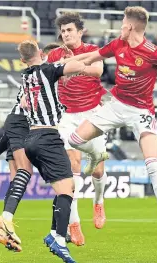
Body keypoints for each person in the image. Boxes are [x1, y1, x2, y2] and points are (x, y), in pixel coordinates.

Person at [62, 6, 157, 245]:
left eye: (122, 22)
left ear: (129, 26)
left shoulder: (153, 52)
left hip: (141, 111)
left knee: (153, 166)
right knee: (73, 141)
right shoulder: (117, 44)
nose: (120, 25)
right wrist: (65, 67)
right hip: (115, 105)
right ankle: (97, 154)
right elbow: (91, 57)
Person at [0, 42, 61, 252]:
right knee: (25, 172)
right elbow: (20, 115)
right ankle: (6, 221)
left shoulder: (34, 78)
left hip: (18, 128)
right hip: (25, 127)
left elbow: (10, 130)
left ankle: (4, 231)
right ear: (43, 55)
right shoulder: (41, 78)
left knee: (16, 183)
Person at [19, 39, 101, 263]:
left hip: (31, 139)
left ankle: (54, 232)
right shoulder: (48, 69)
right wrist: (90, 58)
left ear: (22, 60)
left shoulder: (25, 76)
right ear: (39, 53)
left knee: (64, 187)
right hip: (48, 136)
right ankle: (59, 238)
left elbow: (25, 102)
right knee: (67, 191)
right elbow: (72, 66)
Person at [46, 12, 109, 245]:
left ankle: (99, 202)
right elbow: (47, 74)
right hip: (66, 117)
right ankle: (74, 224)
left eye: (70, 30)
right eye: (63, 31)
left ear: (80, 32)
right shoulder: (54, 54)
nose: (66, 34)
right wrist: (62, 65)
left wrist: (70, 65)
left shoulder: (93, 49)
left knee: (98, 171)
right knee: (71, 166)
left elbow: (97, 71)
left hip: (92, 114)